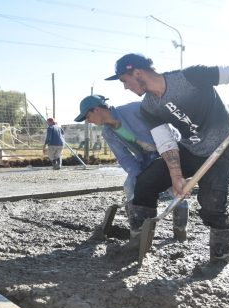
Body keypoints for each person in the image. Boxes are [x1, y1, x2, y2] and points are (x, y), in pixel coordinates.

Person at [106, 53, 229, 263]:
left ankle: (221, 256)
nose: (125, 87)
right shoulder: (148, 107)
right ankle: (138, 241)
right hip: (190, 150)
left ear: (136, 72)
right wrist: (176, 176)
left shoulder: (190, 77)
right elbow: (165, 141)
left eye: (124, 81)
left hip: (222, 148)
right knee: (146, 182)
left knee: (212, 204)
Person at [75, 95, 189, 240]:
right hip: (146, 158)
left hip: (169, 150)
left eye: (87, 115)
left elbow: (168, 131)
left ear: (96, 109)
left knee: (175, 190)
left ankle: (180, 230)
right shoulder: (108, 132)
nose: (87, 120)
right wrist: (137, 176)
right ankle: (137, 231)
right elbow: (124, 157)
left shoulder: (135, 109)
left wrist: (174, 157)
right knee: (130, 185)